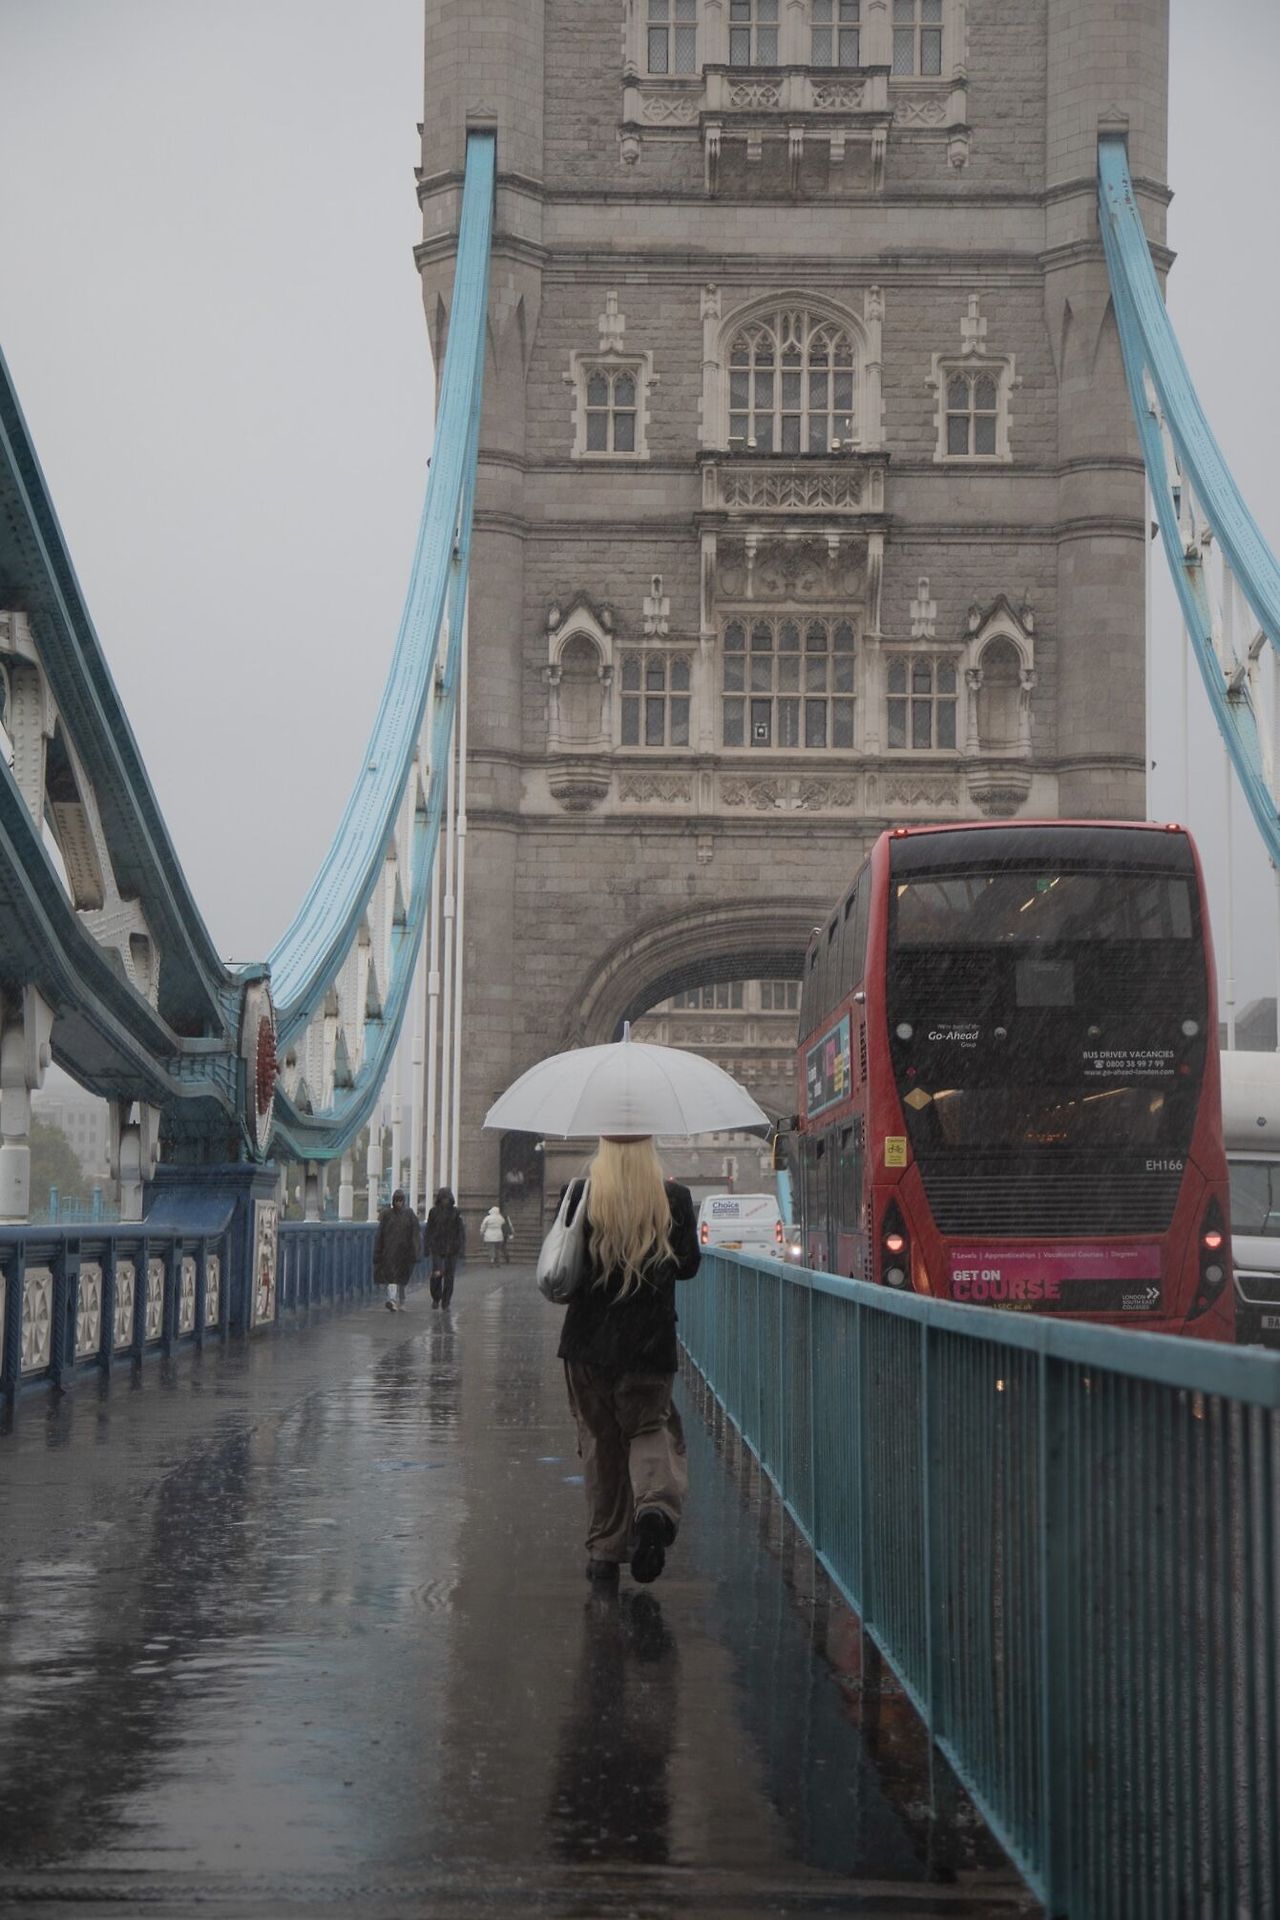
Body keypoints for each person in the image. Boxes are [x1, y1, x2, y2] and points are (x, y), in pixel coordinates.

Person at [552, 1136, 699, 1587]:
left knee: (601, 1441)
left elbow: (561, 1266)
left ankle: (604, 1552)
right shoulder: (674, 1198)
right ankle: (652, 1510)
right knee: (648, 1428)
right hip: (648, 1344)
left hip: (588, 1344)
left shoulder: (578, 1194)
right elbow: (689, 1265)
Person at [373, 1187, 421, 1312]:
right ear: (393, 1201)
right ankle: (392, 1300)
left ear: (403, 1201)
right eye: (397, 1200)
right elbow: (380, 1235)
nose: (398, 1203)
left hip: (404, 1251)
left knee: (402, 1278)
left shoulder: (409, 1214)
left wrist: (415, 1250)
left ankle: (401, 1300)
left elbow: (415, 1233)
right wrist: (378, 1251)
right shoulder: (388, 1215)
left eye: (400, 1200)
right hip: (390, 1251)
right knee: (392, 1276)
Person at [424, 1186, 466, 1307]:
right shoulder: (433, 1212)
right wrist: (427, 1246)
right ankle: (436, 1297)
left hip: (452, 1248)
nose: (445, 1201)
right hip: (437, 1247)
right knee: (437, 1273)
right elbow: (429, 1230)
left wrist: (461, 1248)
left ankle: (446, 1300)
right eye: (443, 1198)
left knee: (449, 1276)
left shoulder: (456, 1213)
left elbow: (460, 1231)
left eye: (447, 1198)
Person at [480, 1202, 507, 1266]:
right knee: (497, 1249)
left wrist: (482, 1232)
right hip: (498, 1235)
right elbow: (503, 1223)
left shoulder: (487, 1218)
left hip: (489, 1235)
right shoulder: (500, 1218)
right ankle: (497, 1261)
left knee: (491, 1248)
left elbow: (483, 1226)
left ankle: (491, 1260)